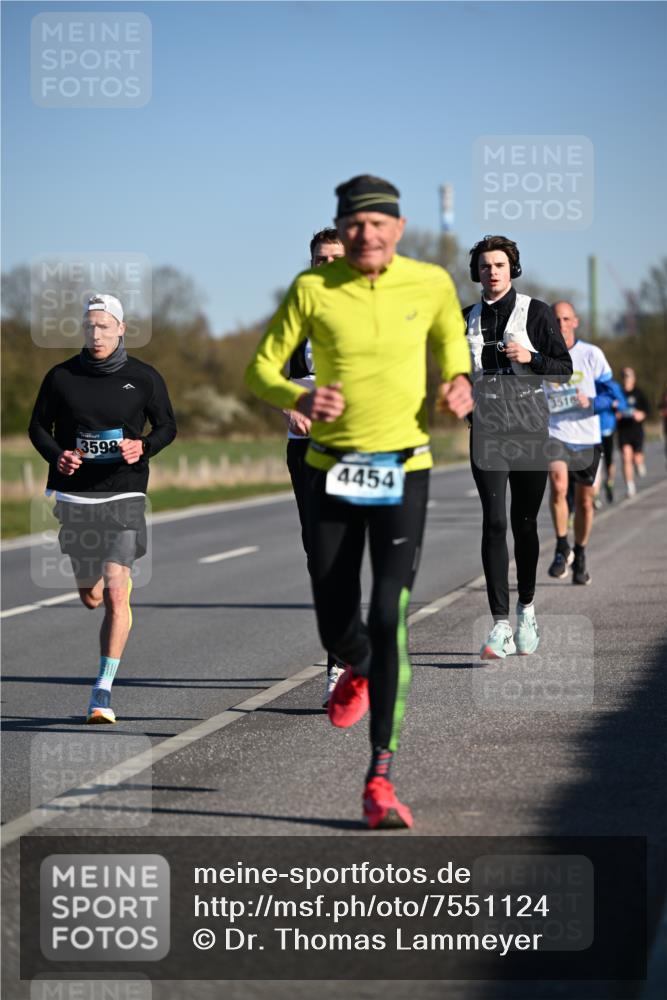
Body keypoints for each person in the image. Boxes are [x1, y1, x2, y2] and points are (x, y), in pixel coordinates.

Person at [245, 174, 472, 829]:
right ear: (340, 231)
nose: (366, 234)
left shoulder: (429, 283)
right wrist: (296, 396)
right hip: (329, 468)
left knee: (388, 609)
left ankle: (380, 779)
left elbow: (450, 346)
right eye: (353, 224)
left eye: (378, 224)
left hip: (404, 464)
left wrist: (458, 382)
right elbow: (259, 368)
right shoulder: (311, 290)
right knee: (334, 614)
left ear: (397, 229)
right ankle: (358, 664)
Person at [29, 293, 177, 723]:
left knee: (116, 590)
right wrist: (57, 454)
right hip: (76, 496)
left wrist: (143, 445)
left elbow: (167, 425)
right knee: (92, 594)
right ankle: (95, 583)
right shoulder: (61, 377)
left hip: (125, 493)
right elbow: (38, 425)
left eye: (104, 326)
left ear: (121, 329)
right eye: (89, 326)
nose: (96, 334)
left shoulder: (143, 377)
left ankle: (102, 692)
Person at [464, 236, 572, 660]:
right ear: (477, 272)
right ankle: (499, 625)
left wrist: (531, 358)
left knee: (523, 523)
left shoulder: (537, 312)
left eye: (500, 265)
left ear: (512, 271)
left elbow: (563, 370)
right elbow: (456, 376)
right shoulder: (466, 319)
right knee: (493, 523)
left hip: (529, 426)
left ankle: (526, 609)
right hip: (488, 428)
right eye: (486, 266)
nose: (492, 272)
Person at [284, 228, 346, 707]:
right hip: (304, 448)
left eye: (335, 258)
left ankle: (340, 664)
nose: (327, 266)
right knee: (317, 557)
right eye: (320, 259)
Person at [546, 302, 615, 585]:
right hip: (555, 432)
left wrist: (592, 402)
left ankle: (581, 553)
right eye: (555, 319)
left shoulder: (591, 354)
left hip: (587, 436)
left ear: (575, 322)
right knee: (558, 484)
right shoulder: (541, 355)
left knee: (585, 503)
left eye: (565, 319)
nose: (560, 324)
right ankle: (562, 545)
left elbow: (612, 396)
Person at [592, 375, 626, 506]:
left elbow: (622, 404)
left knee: (609, 461)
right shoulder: (589, 382)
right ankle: (595, 495)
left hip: (608, 429)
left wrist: (616, 405)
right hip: (593, 431)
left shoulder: (612, 385)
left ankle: (609, 482)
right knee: (597, 464)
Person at [617, 367, 650, 497]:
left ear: (633, 378)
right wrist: (616, 414)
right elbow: (612, 409)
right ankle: (630, 486)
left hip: (636, 431)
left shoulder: (639, 393)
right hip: (623, 430)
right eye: (624, 376)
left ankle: (639, 463)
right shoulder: (618, 393)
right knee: (626, 457)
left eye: (629, 376)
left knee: (636, 458)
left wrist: (641, 414)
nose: (626, 378)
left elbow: (647, 410)